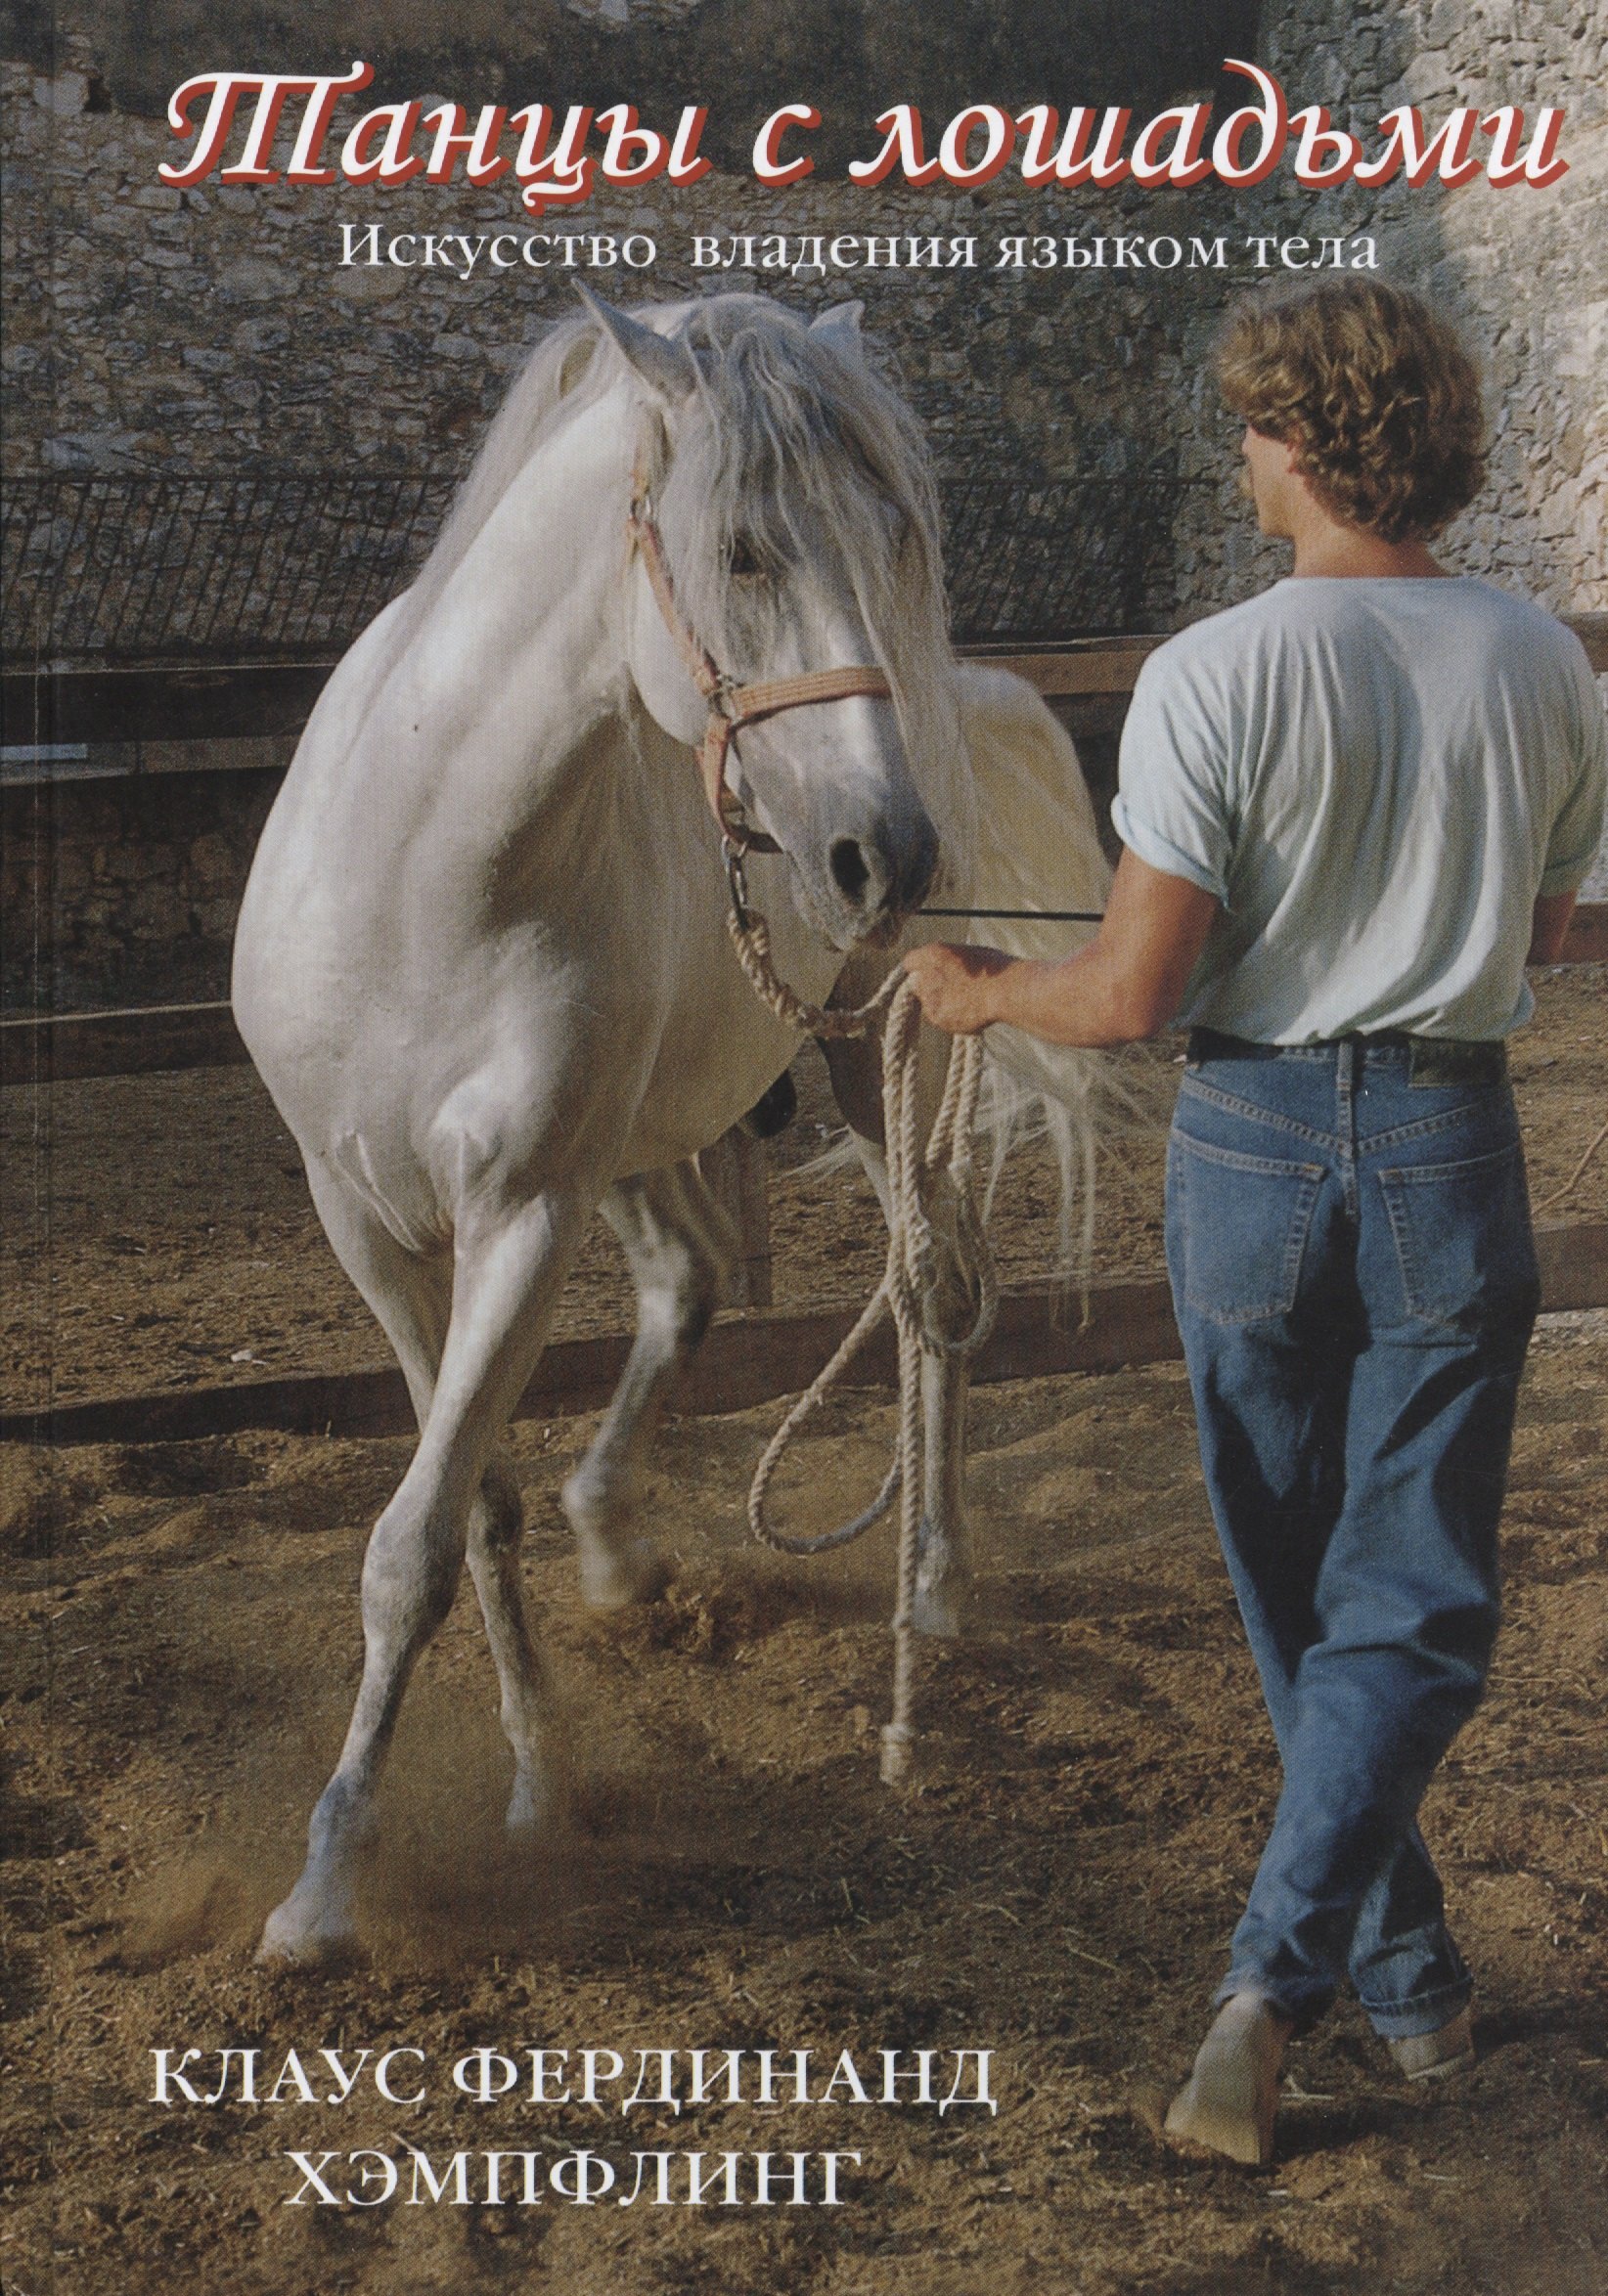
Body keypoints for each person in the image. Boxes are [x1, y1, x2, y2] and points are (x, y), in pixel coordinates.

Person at [902, 276, 1607, 2169]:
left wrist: (975, 993)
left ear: (1303, 441)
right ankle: (1406, 1978)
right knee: (1412, 1604)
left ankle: (1271, 1990)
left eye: (1251, 425)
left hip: (1251, 1149)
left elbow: (1134, 995)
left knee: (1303, 1594)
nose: (1239, 454)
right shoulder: (1544, 660)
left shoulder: (1215, 671)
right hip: (1451, 1144)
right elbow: (1545, 938)